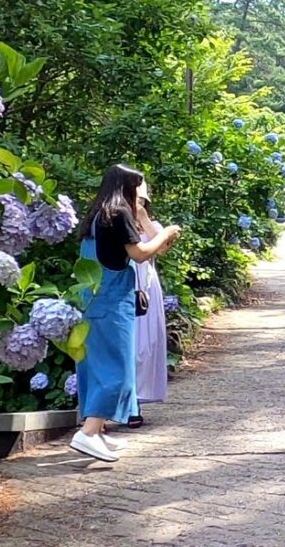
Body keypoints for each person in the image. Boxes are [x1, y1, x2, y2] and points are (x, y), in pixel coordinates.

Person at [71, 164, 180, 462]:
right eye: (140, 187)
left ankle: (96, 430)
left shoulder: (97, 215)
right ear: (128, 187)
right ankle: (88, 433)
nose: (143, 193)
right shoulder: (119, 213)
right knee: (118, 369)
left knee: (94, 366)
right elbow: (141, 254)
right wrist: (167, 232)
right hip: (112, 302)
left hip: (90, 299)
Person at [130, 182, 168, 427]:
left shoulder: (152, 226)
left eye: (142, 201)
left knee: (146, 345)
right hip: (122, 283)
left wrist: (143, 218)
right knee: (127, 345)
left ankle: (137, 400)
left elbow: (161, 248)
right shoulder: (114, 222)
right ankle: (128, 403)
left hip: (146, 286)